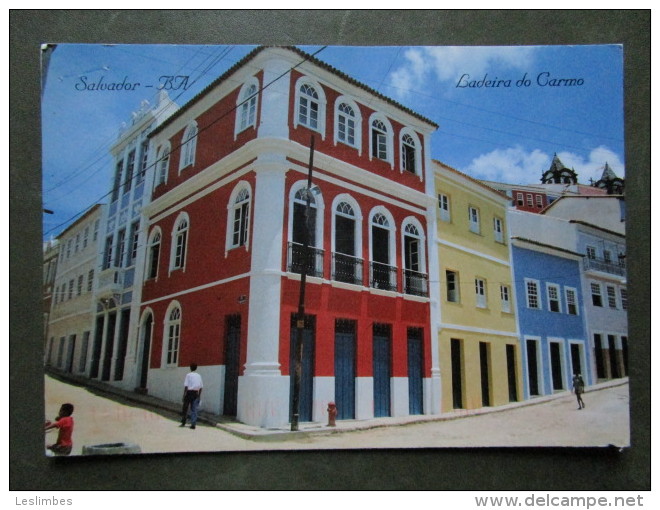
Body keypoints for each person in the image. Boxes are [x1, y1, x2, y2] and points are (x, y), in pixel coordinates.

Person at [180, 363, 203, 429]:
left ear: (190, 368)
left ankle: (183, 421)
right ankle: (193, 423)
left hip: (189, 393)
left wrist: (184, 395)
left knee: (185, 408)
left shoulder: (188, 375)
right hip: (196, 393)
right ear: (196, 368)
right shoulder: (199, 376)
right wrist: (199, 395)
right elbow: (201, 387)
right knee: (194, 409)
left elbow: (186, 386)